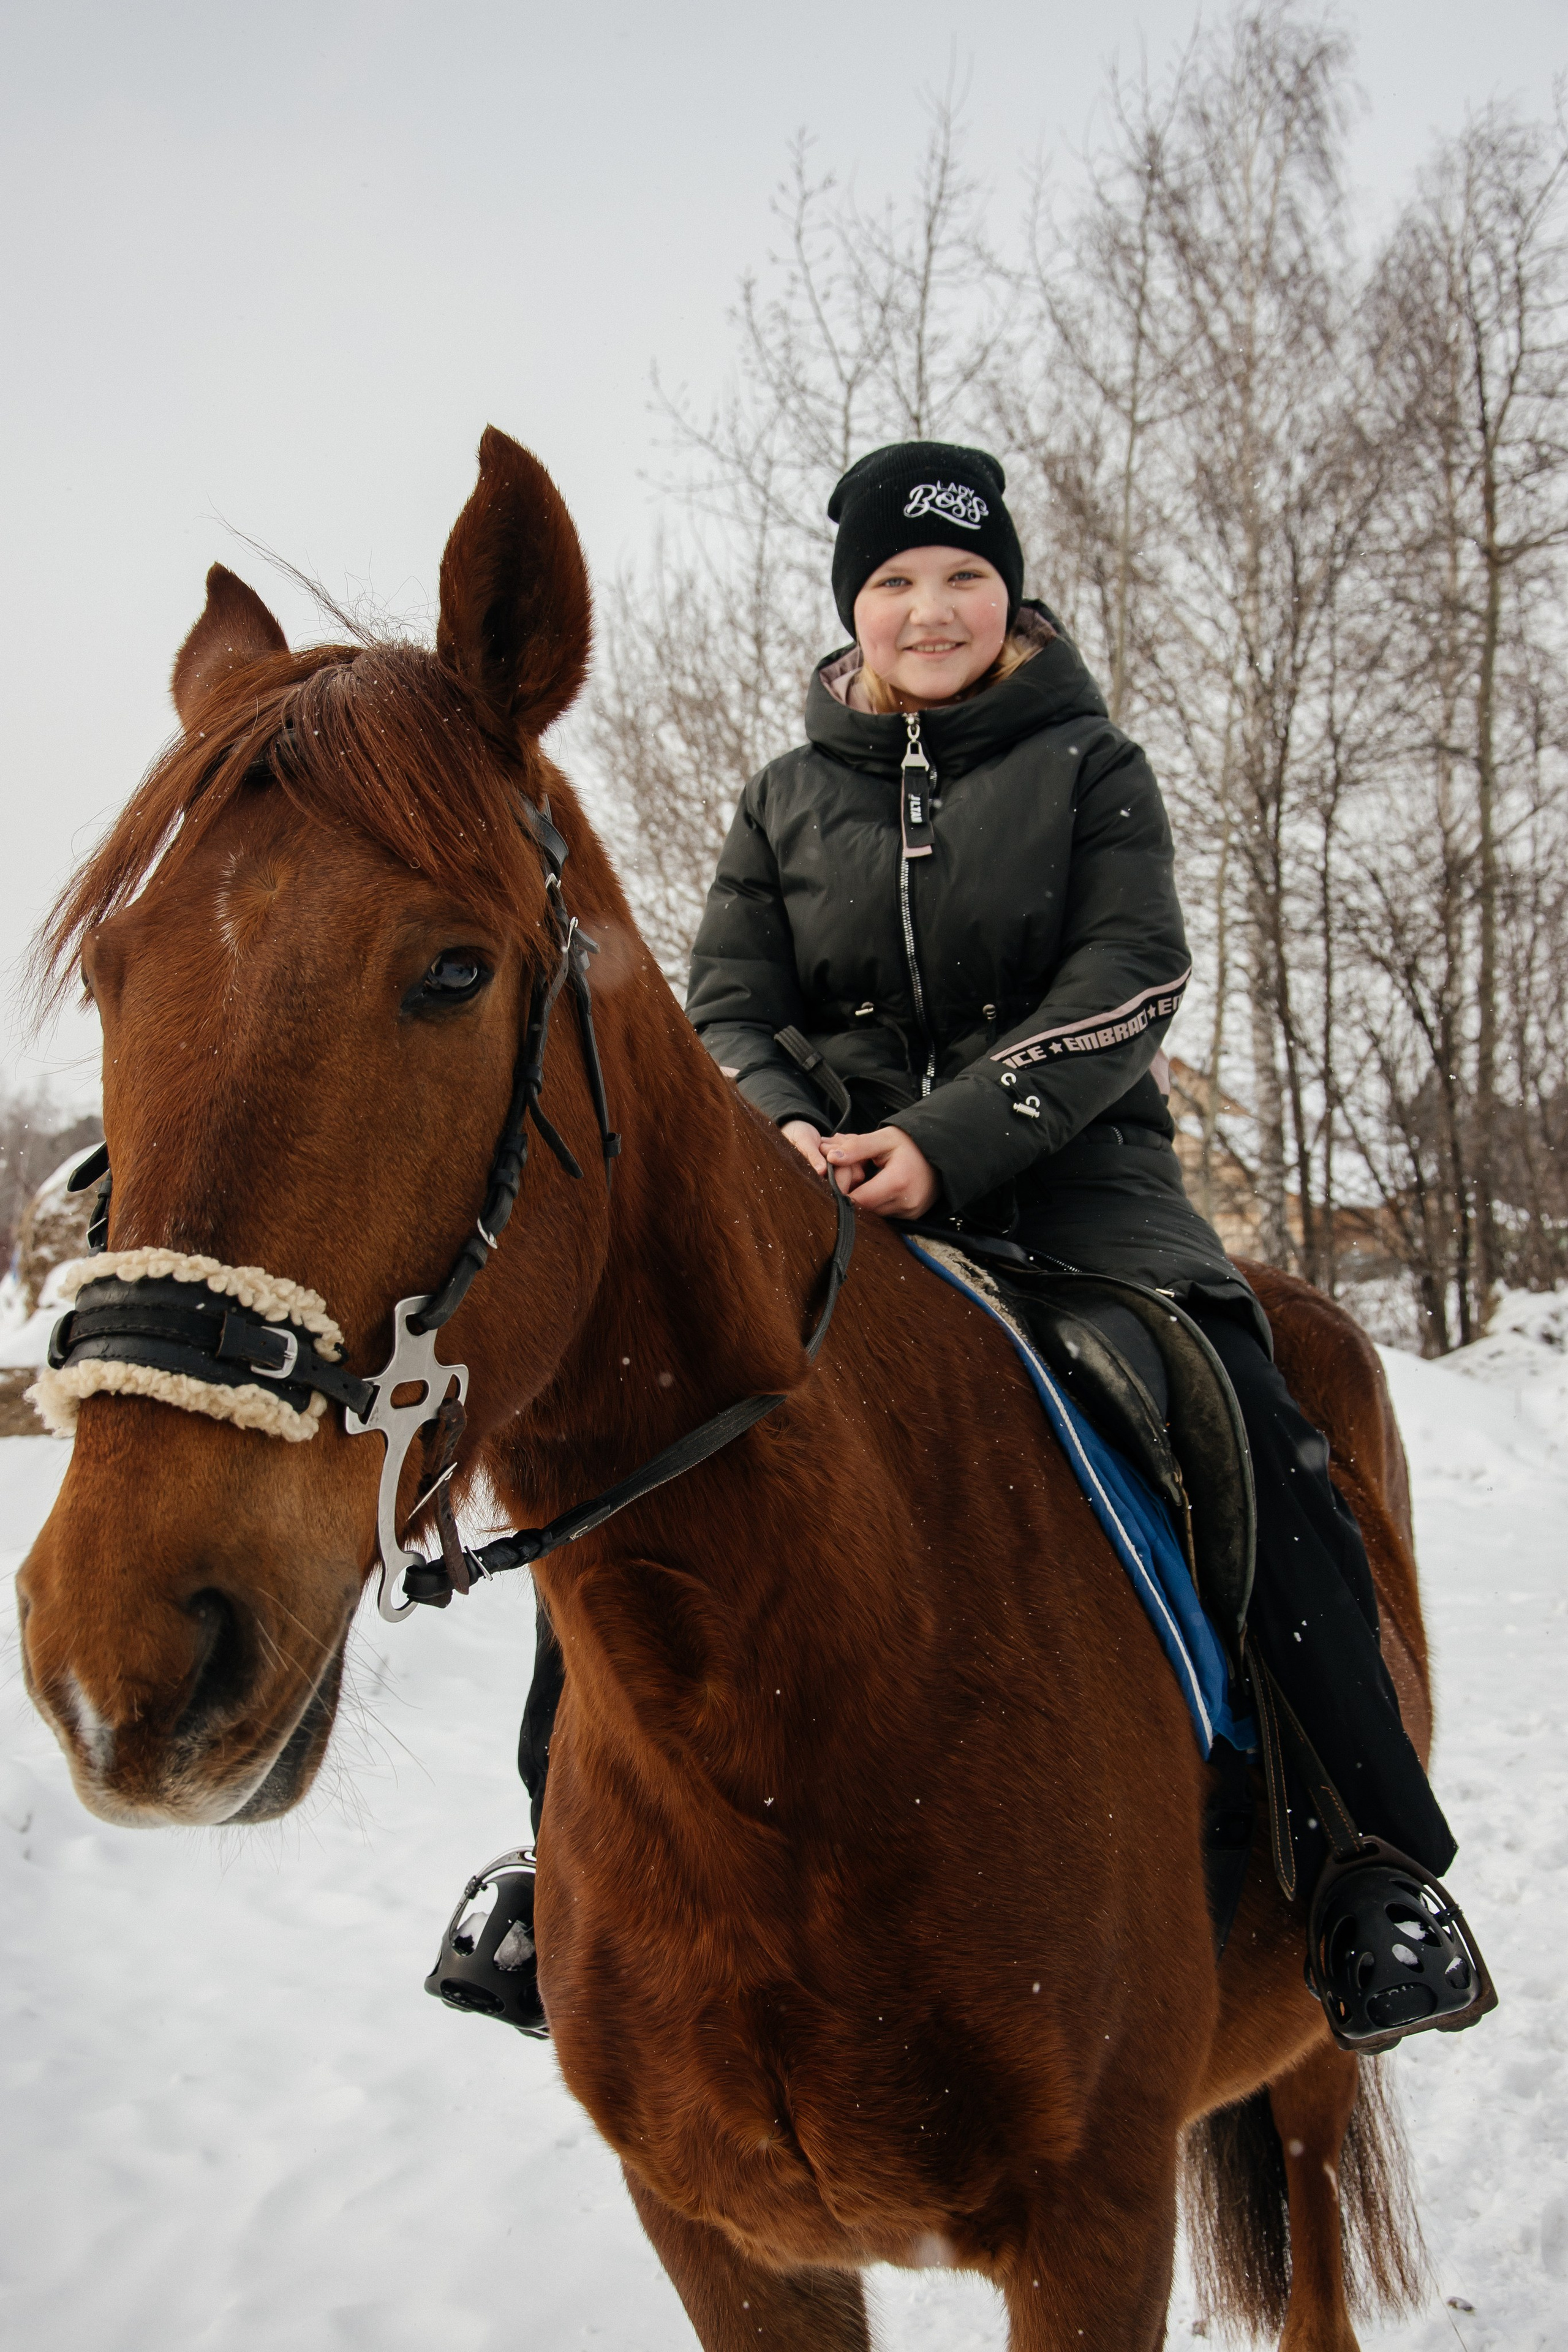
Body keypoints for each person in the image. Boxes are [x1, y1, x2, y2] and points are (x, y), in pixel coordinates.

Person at [511, 441, 1490, 2050]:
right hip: (822, 1204)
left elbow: (1129, 977)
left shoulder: (1096, 767)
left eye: (963, 577)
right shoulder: (783, 795)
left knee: (1241, 1422)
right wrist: (781, 1135)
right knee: (635, 1440)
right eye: (896, 581)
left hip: (1076, 1193)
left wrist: (943, 1140)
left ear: (1009, 596)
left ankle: (1369, 1863)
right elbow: (727, 1007)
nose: (930, 607)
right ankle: (549, 1861)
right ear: (856, 613)